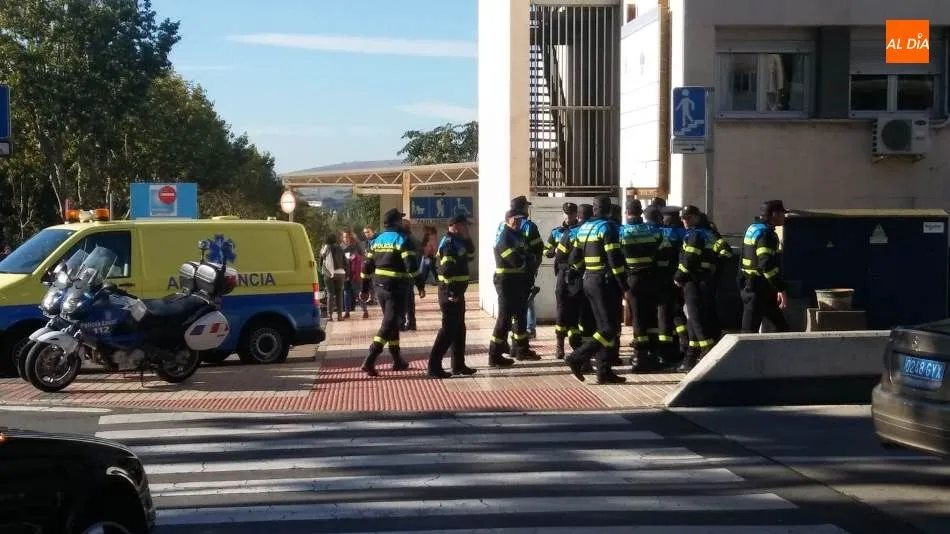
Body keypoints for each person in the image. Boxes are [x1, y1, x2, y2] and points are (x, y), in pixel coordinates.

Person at [565, 196, 628, 384]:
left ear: (594, 210)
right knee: (610, 328)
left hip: (588, 281)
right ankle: (576, 357)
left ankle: (604, 370)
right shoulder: (607, 228)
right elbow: (614, 260)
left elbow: (574, 260)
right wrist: (623, 284)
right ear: (609, 210)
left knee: (601, 328)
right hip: (604, 283)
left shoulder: (583, 228)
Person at [359, 209, 419, 377]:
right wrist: (420, 285)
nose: (402, 222)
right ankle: (369, 360)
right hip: (396, 289)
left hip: (379, 288)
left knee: (392, 323)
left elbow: (366, 267)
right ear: (395, 222)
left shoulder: (376, 240)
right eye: (400, 220)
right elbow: (411, 267)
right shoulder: (402, 239)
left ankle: (397, 360)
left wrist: (364, 288)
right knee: (389, 323)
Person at [426, 214, 477, 378]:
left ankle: (458, 365)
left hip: (458, 293)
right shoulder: (448, 243)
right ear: (455, 226)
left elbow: (470, 255)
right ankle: (434, 367)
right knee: (447, 331)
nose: (467, 228)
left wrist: (468, 237)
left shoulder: (459, 241)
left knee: (459, 329)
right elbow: (445, 270)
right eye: (464, 226)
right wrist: (452, 292)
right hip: (449, 294)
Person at [620, 199, 664, 372]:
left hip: (633, 279)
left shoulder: (622, 232)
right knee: (651, 317)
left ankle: (639, 356)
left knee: (637, 318)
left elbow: (616, 255)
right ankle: (653, 354)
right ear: (641, 213)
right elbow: (661, 247)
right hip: (651, 277)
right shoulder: (652, 231)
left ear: (627, 212)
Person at [673, 205, 717, 372]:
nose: (685, 220)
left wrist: (678, 277)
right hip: (704, 281)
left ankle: (709, 355)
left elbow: (689, 260)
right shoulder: (708, 234)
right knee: (692, 320)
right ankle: (690, 358)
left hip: (694, 281)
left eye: (688, 217)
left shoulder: (695, 235)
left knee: (696, 320)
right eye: (683, 218)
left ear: (697, 217)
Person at [740, 199, 790, 334]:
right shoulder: (766, 234)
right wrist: (781, 288)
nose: (784, 217)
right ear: (774, 214)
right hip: (759, 289)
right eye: (782, 214)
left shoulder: (753, 228)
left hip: (752, 286)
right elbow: (766, 265)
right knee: (748, 334)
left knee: (781, 329)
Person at [488, 210, 530, 367]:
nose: (518, 222)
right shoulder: (504, 236)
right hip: (505, 281)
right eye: (516, 219)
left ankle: (520, 349)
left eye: (520, 219)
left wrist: (525, 256)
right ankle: (494, 355)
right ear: (508, 219)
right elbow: (515, 260)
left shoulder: (518, 235)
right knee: (504, 319)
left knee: (519, 314)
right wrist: (525, 257)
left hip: (517, 281)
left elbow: (527, 253)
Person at [506, 196, 543, 354]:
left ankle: (516, 342)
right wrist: (534, 267)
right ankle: (524, 340)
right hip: (525, 272)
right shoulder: (529, 226)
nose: (528, 210)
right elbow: (538, 249)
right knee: (525, 306)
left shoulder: (504, 227)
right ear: (522, 209)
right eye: (526, 207)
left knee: (515, 308)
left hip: (508, 275)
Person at [559, 204, 595, 355]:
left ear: (578, 216)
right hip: (592, 280)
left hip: (573, 281)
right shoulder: (596, 231)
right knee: (587, 317)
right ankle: (586, 352)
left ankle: (576, 348)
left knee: (572, 317)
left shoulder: (570, 233)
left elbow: (560, 257)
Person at [545, 202, 580, 359]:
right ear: (563, 214)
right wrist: (553, 251)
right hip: (561, 273)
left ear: (576, 215)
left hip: (577, 274)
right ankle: (559, 345)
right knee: (561, 309)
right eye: (566, 213)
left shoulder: (581, 230)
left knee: (575, 309)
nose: (568, 216)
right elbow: (546, 251)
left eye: (571, 213)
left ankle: (576, 344)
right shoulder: (556, 232)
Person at [319, 234, 348, 322]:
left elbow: (320, 263)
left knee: (330, 294)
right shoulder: (340, 248)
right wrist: (346, 273)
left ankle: (330, 316)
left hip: (328, 274)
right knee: (339, 295)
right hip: (340, 274)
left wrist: (324, 272)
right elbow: (345, 262)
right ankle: (339, 316)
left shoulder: (324, 249)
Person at [341, 230, 368, 319]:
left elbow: (362, 257)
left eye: (347, 237)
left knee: (358, 293)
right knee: (346, 294)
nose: (346, 239)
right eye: (344, 237)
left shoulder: (355, 247)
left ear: (351, 238)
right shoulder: (341, 247)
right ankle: (347, 312)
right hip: (345, 275)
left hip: (355, 274)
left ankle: (365, 311)